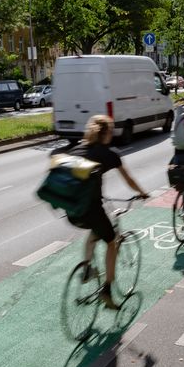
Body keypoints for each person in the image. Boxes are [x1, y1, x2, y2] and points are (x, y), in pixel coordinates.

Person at [67, 115, 148, 309]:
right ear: (108, 133)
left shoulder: (76, 149)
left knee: (94, 232)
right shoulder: (109, 153)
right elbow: (128, 180)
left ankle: (87, 267)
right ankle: (107, 290)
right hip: (91, 210)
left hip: (71, 211)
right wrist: (142, 192)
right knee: (112, 242)